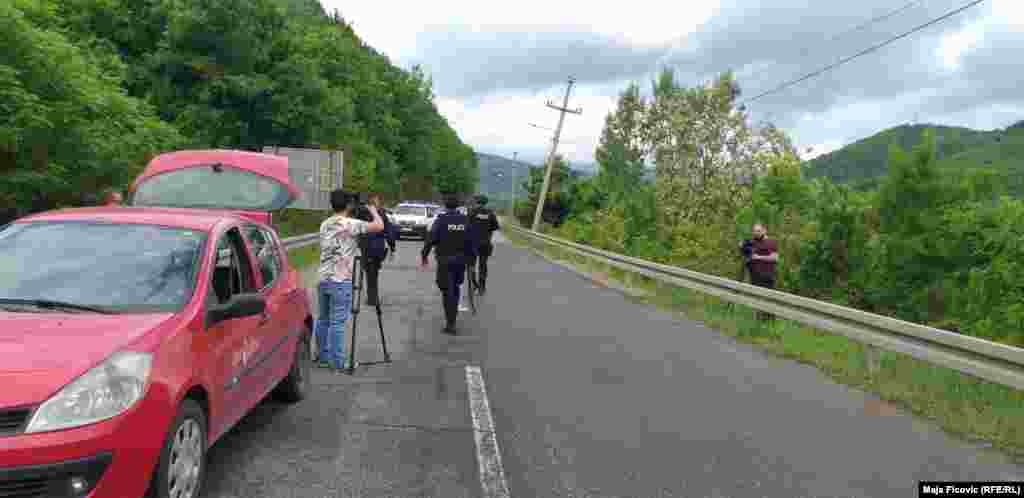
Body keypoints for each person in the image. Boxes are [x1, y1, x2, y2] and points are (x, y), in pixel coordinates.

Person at [316, 189, 385, 370]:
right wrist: (372, 210)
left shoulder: (324, 224)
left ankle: (322, 356)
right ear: (348, 205)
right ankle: (338, 362)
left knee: (323, 319)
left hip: (323, 277)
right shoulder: (350, 224)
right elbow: (379, 226)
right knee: (338, 323)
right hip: (340, 279)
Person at [420, 193, 477, 334]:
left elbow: (431, 238)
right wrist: (472, 262)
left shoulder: (441, 220)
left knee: (446, 291)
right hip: (460, 261)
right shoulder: (465, 221)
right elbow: (471, 242)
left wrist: (424, 255)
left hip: (445, 261)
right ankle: (452, 319)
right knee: (456, 288)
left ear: (445, 205)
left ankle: (450, 322)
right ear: (458, 206)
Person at [359, 193, 397, 306]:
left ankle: (372, 297)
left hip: (366, 247)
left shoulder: (361, 213)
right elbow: (389, 232)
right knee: (373, 273)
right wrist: (392, 247)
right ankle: (373, 297)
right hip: (377, 249)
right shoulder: (381, 214)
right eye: (377, 201)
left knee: (369, 272)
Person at [741, 223, 778, 321]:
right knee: (756, 299)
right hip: (754, 275)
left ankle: (769, 321)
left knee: (768, 300)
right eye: (754, 231)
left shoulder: (770, 242)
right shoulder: (753, 242)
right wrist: (743, 246)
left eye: (758, 231)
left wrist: (758, 257)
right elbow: (746, 253)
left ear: (764, 231)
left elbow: (775, 258)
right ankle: (757, 321)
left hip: (767, 276)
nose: (756, 233)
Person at [467, 194, 500, 294]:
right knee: (483, 265)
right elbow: (495, 227)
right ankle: (482, 287)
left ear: (477, 202)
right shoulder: (490, 213)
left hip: (473, 243)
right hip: (485, 243)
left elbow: (466, 226)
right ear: (486, 203)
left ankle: (474, 285)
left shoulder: (472, 212)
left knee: (471, 264)